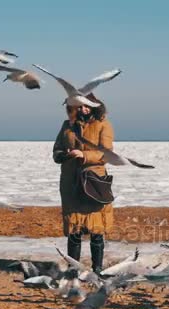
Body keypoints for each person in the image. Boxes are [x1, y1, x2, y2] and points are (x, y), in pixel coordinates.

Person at [52, 93, 114, 274]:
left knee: (96, 230)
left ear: (95, 106)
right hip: (71, 182)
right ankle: (73, 270)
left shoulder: (103, 125)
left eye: (87, 106)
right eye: (80, 106)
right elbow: (56, 151)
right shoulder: (67, 126)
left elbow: (106, 154)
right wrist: (65, 154)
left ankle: (97, 270)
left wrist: (84, 155)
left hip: (94, 183)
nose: (84, 110)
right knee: (74, 230)